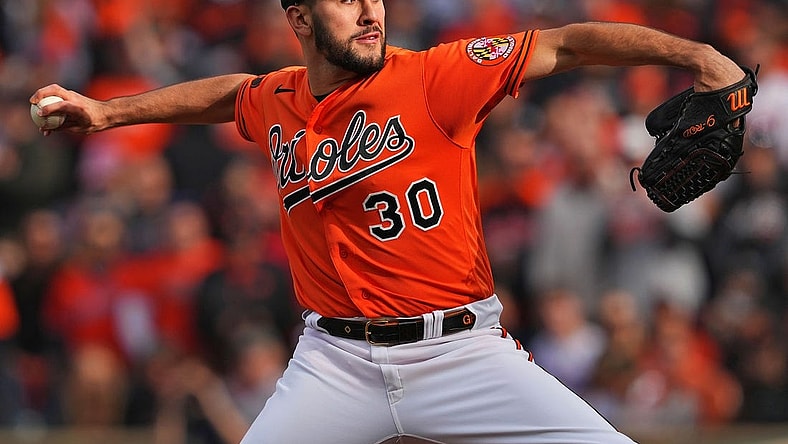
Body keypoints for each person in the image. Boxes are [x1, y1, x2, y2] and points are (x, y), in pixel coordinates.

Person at [30, 1, 747, 442]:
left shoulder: (435, 74)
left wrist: (699, 55)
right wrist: (109, 111)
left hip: (463, 353)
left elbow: (565, 44)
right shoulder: (278, 98)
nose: (372, 10)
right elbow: (229, 95)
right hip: (333, 365)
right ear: (300, 20)